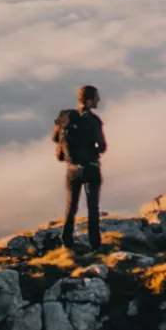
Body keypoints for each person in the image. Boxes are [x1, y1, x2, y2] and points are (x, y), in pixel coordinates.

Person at [52, 84, 107, 250]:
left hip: (72, 169)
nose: (99, 100)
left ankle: (67, 242)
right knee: (92, 207)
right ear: (89, 101)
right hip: (90, 168)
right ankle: (95, 244)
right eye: (97, 97)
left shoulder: (66, 117)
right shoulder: (94, 121)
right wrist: (93, 152)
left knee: (71, 206)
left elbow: (55, 138)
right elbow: (102, 146)